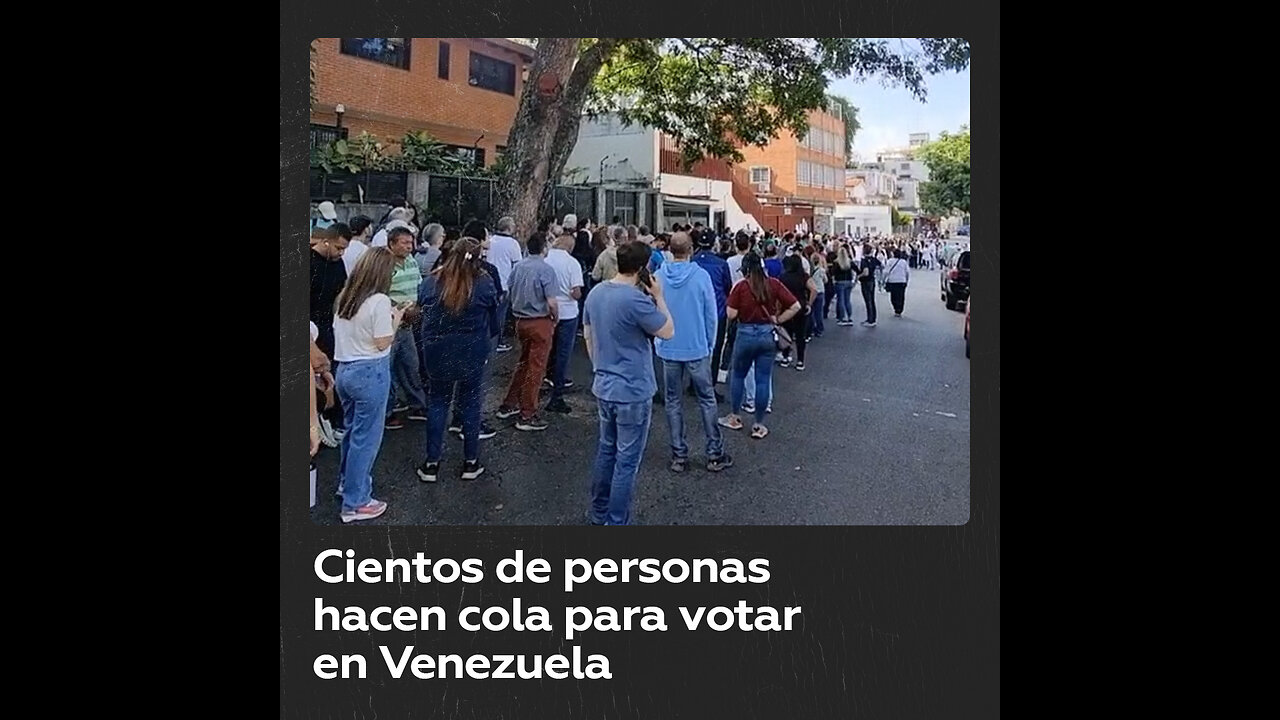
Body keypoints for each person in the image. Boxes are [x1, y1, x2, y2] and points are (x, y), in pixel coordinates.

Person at [582, 241, 674, 524]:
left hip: (605, 384)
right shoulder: (636, 301)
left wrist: (599, 365)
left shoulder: (597, 293)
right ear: (643, 268)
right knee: (627, 461)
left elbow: (588, 333)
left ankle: (599, 514)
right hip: (633, 388)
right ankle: (616, 520)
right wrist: (659, 296)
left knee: (606, 449)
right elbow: (668, 331)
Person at [415, 238, 499, 483]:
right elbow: (494, 322)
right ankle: (470, 461)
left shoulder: (432, 281)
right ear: (478, 256)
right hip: (472, 349)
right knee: (471, 403)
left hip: (437, 349)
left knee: (438, 402)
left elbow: (423, 311)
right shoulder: (483, 283)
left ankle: (432, 463)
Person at [332, 247, 402, 523]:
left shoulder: (345, 297)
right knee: (367, 439)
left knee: (351, 433)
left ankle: (346, 483)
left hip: (344, 370)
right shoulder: (380, 301)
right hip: (370, 371)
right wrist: (395, 320)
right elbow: (383, 342)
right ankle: (356, 502)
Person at [655, 233, 733, 472]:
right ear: (690, 249)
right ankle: (713, 453)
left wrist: (658, 341)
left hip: (669, 345)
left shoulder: (659, 276)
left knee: (673, 401)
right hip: (697, 346)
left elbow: (654, 310)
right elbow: (711, 314)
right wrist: (709, 344)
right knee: (707, 399)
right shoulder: (700, 276)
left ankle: (679, 454)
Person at [718, 253, 800, 439]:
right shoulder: (773, 284)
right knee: (763, 378)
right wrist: (778, 319)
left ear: (745, 270)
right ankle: (759, 424)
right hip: (767, 335)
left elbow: (731, 314)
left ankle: (735, 417)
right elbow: (795, 306)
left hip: (745, 334)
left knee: (738, 376)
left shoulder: (741, 286)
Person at [496, 232, 559, 431]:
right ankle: (527, 413)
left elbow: (510, 289)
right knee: (536, 368)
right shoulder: (546, 270)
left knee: (523, 363)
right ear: (544, 249)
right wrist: (555, 317)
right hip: (539, 320)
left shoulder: (519, 267)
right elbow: (551, 301)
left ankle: (509, 403)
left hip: (520, 319)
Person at [382, 226, 429, 430]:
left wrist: (417, 308)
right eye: (404, 243)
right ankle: (386, 412)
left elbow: (418, 286)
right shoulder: (384, 265)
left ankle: (417, 404)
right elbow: (378, 294)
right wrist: (398, 309)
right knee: (387, 369)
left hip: (407, 325)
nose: (410, 247)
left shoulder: (411, 261)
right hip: (388, 325)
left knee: (411, 364)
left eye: (411, 243)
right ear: (391, 244)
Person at [543, 232, 584, 414]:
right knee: (563, 352)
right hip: (567, 312)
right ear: (570, 247)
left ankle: (544, 379)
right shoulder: (571, 263)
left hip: (546, 310)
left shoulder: (545, 260)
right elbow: (575, 292)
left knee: (547, 350)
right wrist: (578, 295)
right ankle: (557, 393)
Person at [692, 229, 733, 395]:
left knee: (696, 347)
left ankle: (694, 383)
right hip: (717, 311)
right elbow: (727, 287)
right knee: (715, 349)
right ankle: (710, 386)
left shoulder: (692, 261)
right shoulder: (721, 264)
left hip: (696, 310)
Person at [778, 255, 818, 371]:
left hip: (786, 307)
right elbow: (814, 289)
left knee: (786, 333)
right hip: (801, 307)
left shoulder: (783, 277)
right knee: (800, 336)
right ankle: (800, 361)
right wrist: (809, 304)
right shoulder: (804, 277)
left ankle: (786, 356)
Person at [831, 245, 856, 326]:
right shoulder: (849, 262)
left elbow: (832, 273)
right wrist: (854, 280)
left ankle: (842, 318)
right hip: (848, 281)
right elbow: (857, 270)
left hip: (839, 282)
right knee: (847, 300)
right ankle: (849, 317)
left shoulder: (836, 262)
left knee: (840, 300)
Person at [858, 243, 882, 326]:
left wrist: (858, 276)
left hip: (865, 281)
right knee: (872, 300)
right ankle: (873, 318)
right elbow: (881, 265)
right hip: (872, 280)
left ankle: (870, 320)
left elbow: (865, 272)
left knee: (867, 301)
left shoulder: (864, 261)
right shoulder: (873, 259)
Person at [884, 248, 910, 317]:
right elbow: (907, 272)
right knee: (901, 296)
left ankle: (895, 308)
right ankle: (899, 310)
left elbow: (886, 271)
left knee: (893, 296)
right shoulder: (903, 262)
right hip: (901, 280)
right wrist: (907, 280)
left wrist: (884, 279)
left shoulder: (890, 261)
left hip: (892, 280)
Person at [807, 249, 827, 339]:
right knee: (819, 312)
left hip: (811, 292)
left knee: (811, 311)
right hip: (820, 292)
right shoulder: (821, 270)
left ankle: (811, 328)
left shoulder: (809, 271)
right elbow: (825, 280)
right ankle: (819, 329)